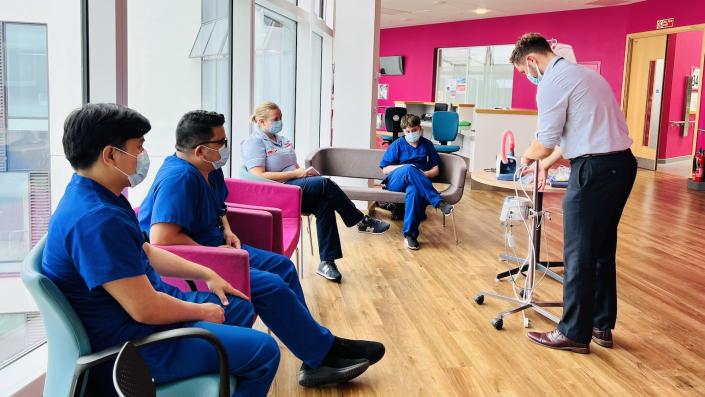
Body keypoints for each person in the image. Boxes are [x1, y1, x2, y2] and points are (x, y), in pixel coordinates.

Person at [43, 103, 279, 397]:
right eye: (138, 148)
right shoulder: (96, 221)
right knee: (265, 351)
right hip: (133, 348)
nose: (142, 156)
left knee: (238, 304)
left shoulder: (98, 196)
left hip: (141, 321)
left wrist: (207, 272)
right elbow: (145, 309)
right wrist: (201, 310)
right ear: (110, 154)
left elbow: (147, 251)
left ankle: (218, 368)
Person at [138, 110, 385, 387]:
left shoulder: (210, 169)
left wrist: (228, 231)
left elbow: (220, 207)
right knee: (271, 286)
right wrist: (216, 254)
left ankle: (316, 348)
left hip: (218, 246)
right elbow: (162, 238)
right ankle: (321, 352)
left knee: (283, 267)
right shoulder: (179, 179)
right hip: (197, 260)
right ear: (200, 150)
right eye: (221, 143)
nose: (226, 148)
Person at [510, 33, 637, 353]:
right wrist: (547, 166)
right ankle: (600, 324)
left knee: (578, 253)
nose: (530, 80)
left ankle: (573, 333)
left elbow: (545, 143)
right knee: (602, 248)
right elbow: (575, 139)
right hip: (621, 166)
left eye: (526, 75)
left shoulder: (553, 82)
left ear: (531, 60)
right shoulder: (586, 76)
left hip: (593, 172)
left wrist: (526, 158)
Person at [241, 101, 390, 282]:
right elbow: (258, 175)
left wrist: (304, 175)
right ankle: (360, 221)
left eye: (281, 118)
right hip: (277, 193)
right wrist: (297, 173)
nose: (280, 122)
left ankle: (327, 262)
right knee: (326, 184)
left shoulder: (282, 140)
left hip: (295, 186)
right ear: (261, 122)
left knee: (324, 204)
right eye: (275, 119)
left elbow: (293, 166)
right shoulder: (254, 142)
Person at [379, 114, 454, 250]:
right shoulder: (397, 145)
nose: (411, 133)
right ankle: (438, 201)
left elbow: (435, 169)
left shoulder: (427, 145)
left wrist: (421, 175)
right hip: (396, 181)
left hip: (418, 183)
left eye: (414, 130)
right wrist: (405, 168)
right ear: (404, 132)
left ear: (419, 128)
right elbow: (385, 169)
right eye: (408, 131)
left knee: (414, 191)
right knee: (409, 168)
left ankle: (410, 236)